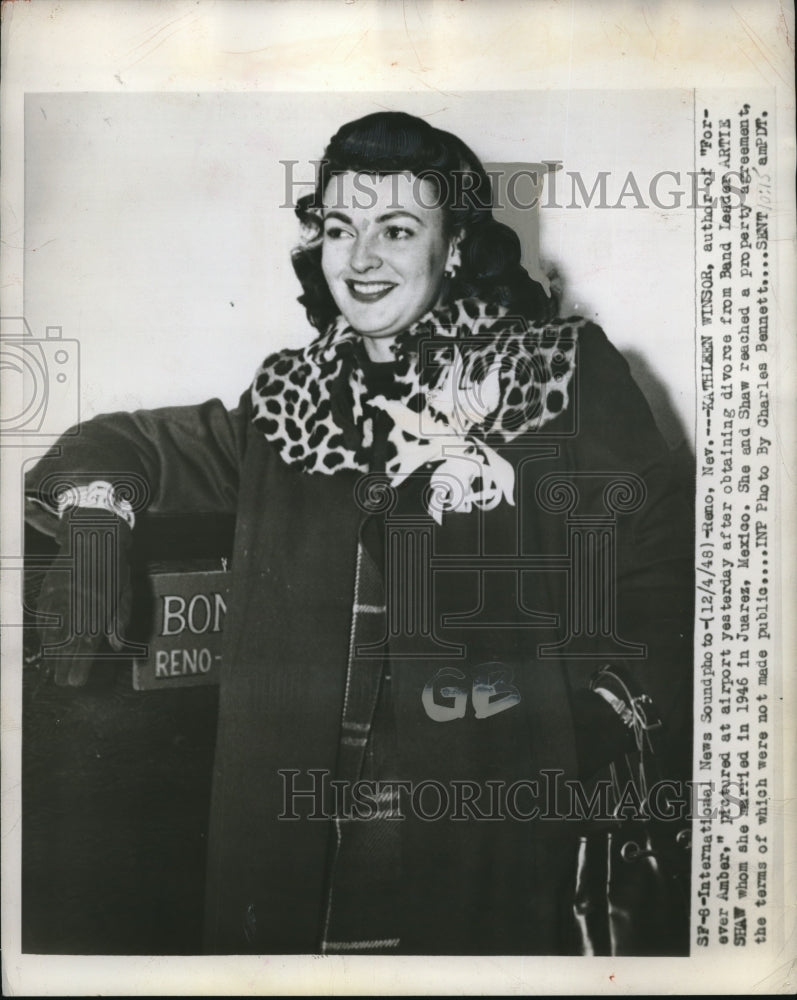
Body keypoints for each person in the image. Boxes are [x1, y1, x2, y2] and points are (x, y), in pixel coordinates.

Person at [25, 111, 694, 955]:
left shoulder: (553, 373)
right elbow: (120, 443)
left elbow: (663, 568)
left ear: (453, 246)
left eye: (397, 229)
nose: (360, 258)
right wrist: (93, 524)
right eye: (341, 227)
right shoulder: (290, 403)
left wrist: (588, 723)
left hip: (480, 835)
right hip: (288, 851)